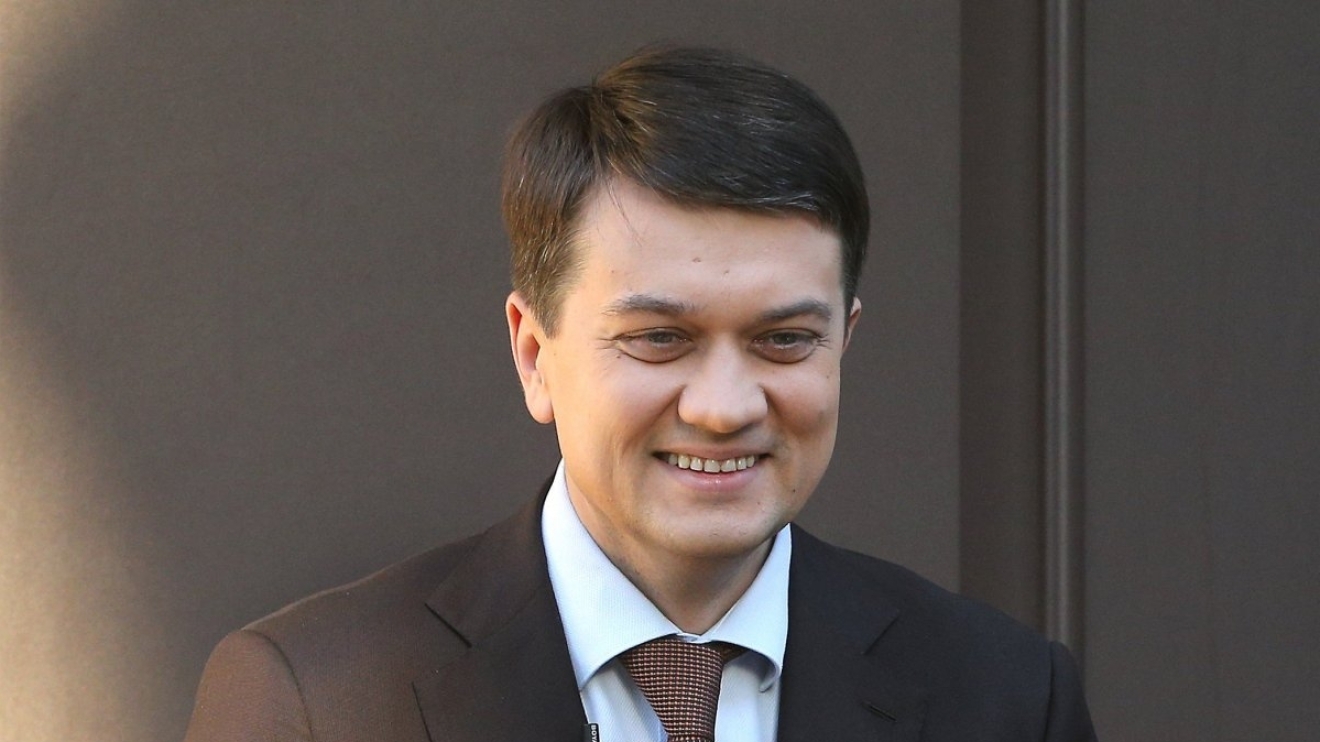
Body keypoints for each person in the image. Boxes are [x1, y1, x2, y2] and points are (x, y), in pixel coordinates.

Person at [184, 45, 1097, 742]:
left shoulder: (1008, 700)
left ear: (844, 341)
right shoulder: (315, 700)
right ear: (534, 354)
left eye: (784, 340)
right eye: (660, 339)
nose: (724, 407)